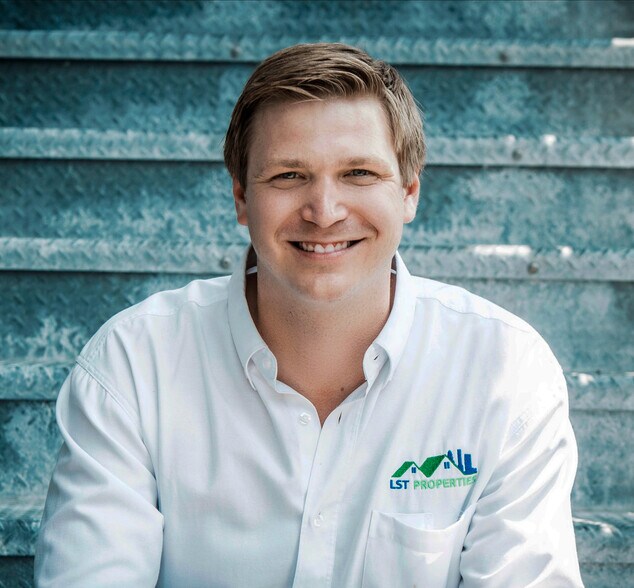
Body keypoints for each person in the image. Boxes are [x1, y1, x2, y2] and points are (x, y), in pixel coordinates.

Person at [35, 43, 583, 587]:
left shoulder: (506, 373)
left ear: (409, 192)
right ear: (241, 198)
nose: (324, 212)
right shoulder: (133, 364)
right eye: (289, 176)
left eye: (359, 173)